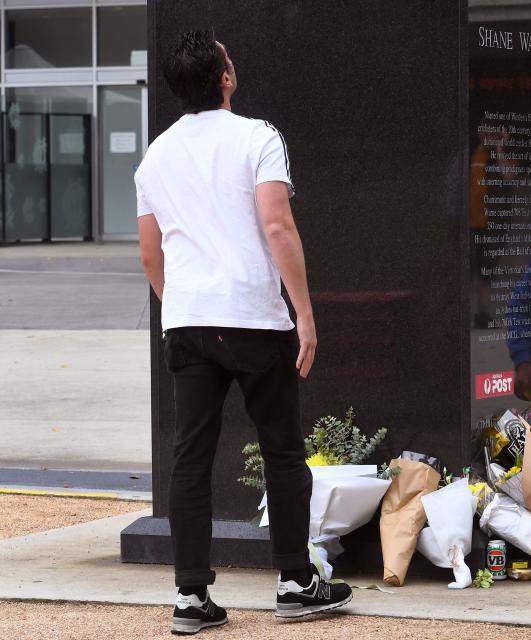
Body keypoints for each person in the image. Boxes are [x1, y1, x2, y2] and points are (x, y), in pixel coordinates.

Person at [136, 29, 351, 634]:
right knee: (283, 450)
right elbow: (277, 225)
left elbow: (151, 254)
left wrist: (180, 303)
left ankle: (189, 597)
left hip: (187, 321)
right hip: (255, 319)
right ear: (225, 78)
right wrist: (304, 312)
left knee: (191, 459)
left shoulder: (154, 156)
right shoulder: (260, 137)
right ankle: (294, 582)